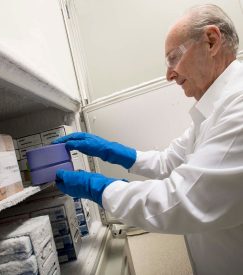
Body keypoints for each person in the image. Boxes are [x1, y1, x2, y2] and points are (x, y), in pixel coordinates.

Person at [53, 4, 243, 275]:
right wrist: (111, 151)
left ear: (211, 41)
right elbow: (169, 161)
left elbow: (178, 201)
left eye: (173, 58)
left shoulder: (238, 109)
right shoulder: (216, 110)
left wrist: (97, 187)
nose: (169, 75)